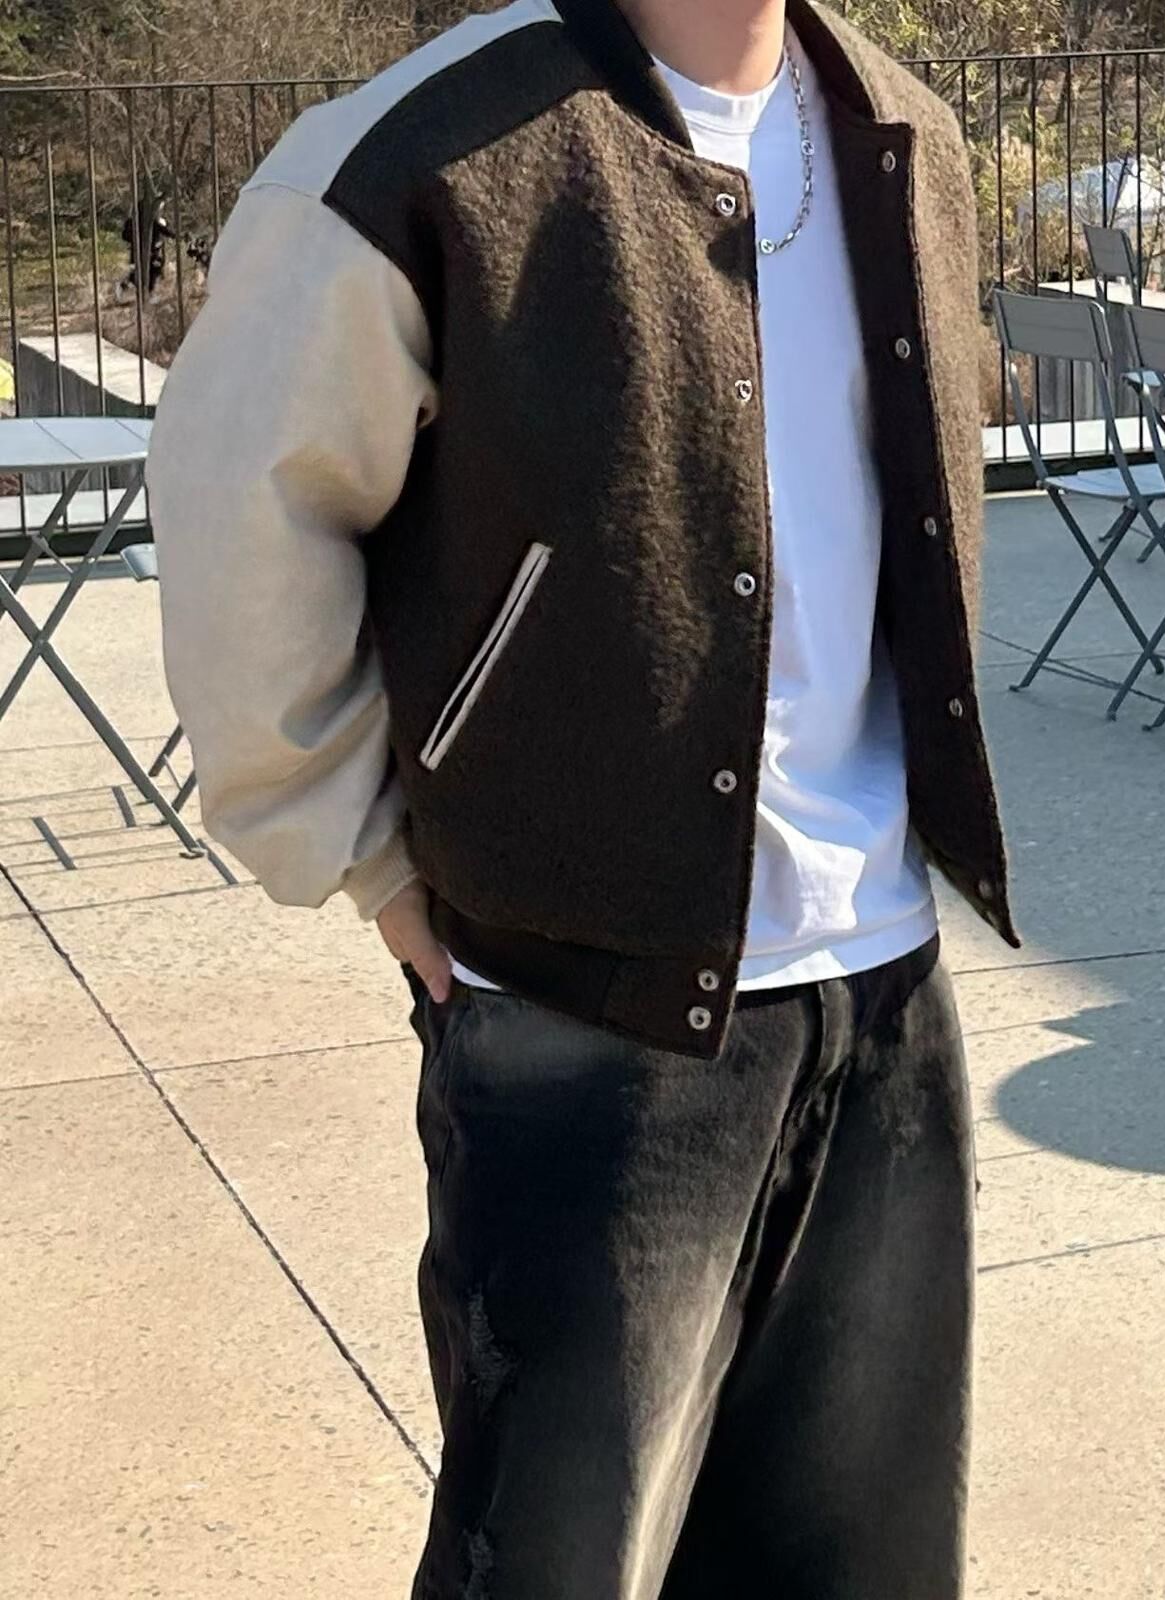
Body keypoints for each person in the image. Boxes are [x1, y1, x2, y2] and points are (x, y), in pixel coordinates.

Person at [146, 1, 1018, 1595]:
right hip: (581, 1017)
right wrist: (365, 861)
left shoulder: (903, 129)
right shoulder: (427, 152)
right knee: (554, 1564)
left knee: (864, 1563)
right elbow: (242, 514)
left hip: (885, 992)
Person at [120, 198, 174, 298]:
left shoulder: (152, 222)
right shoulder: (136, 222)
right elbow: (125, 236)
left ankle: (147, 292)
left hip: (152, 253)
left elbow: (165, 231)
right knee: (141, 273)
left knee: (153, 270)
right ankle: (138, 289)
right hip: (139, 252)